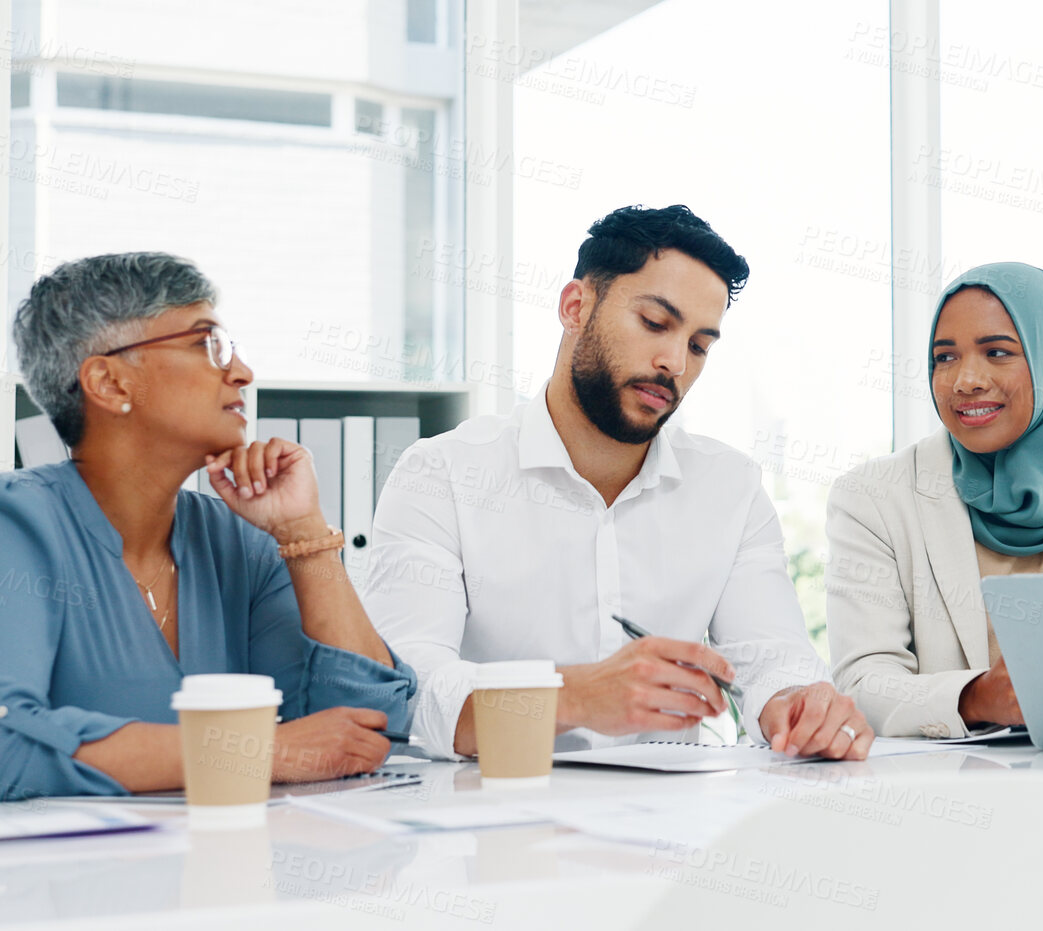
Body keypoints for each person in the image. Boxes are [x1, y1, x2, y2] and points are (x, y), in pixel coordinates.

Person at [362, 204, 872, 762]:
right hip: (493, 823)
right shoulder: (441, 475)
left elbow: (773, 659)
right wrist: (575, 696)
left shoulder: (730, 487)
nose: (675, 361)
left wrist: (800, 706)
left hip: (668, 833)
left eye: (700, 346)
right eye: (655, 323)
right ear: (575, 306)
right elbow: (409, 694)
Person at [0, 253, 415, 800]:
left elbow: (365, 729)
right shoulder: (19, 525)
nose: (241, 371)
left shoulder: (240, 541)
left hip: (232, 871)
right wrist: (266, 751)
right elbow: (8, 747)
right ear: (109, 382)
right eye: (205, 345)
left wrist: (304, 537)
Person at [826, 262, 1043, 739]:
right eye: (945, 357)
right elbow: (862, 683)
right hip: (938, 792)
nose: (966, 381)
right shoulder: (873, 498)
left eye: (997, 352)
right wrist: (976, 698)